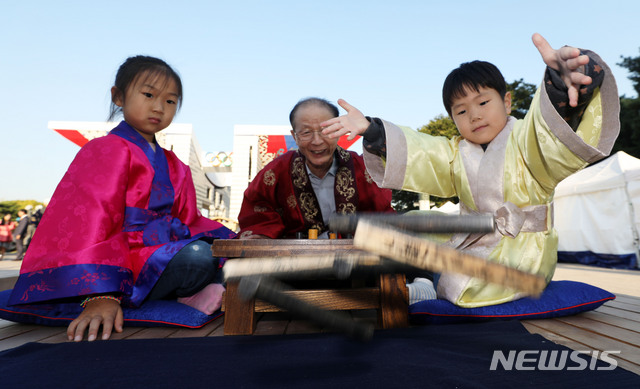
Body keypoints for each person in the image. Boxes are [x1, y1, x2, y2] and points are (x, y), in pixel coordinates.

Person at [320, 34, 620, 308]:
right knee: (404, 225)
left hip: (521, 249)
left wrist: (562, 82)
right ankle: (421, 282)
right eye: (461, 111)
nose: (474, 115)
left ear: (506, 101)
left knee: (467, 287)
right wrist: (372, 131)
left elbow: (548, 132)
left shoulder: (526, 140)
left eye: (483, 102)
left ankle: (426, 287)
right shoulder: (456, 152)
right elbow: (423, 152)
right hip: (472, 235)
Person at [9, 56, 235, 341]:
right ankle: (126, 294)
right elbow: (89, 222)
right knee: (197, 257)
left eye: (170, 101)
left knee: (228, 254)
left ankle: (189, 294)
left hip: (161, 250)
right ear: (118, 96)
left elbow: (190, 220)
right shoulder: (105, 149)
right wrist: (101, 293)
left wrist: (235, 240)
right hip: (125, 257)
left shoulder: (176, 164)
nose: (158, 107)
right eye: (149, 94)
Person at [237, 97, 395, 240]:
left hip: (357, 261)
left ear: (338, 130)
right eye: (306, 132)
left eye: (326, 130)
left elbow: (382, 214)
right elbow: (257, 212)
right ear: (295, 137)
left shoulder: (362, 168)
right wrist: (261, 236)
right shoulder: (277, 171)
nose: (317, 141)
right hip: (294, 263)